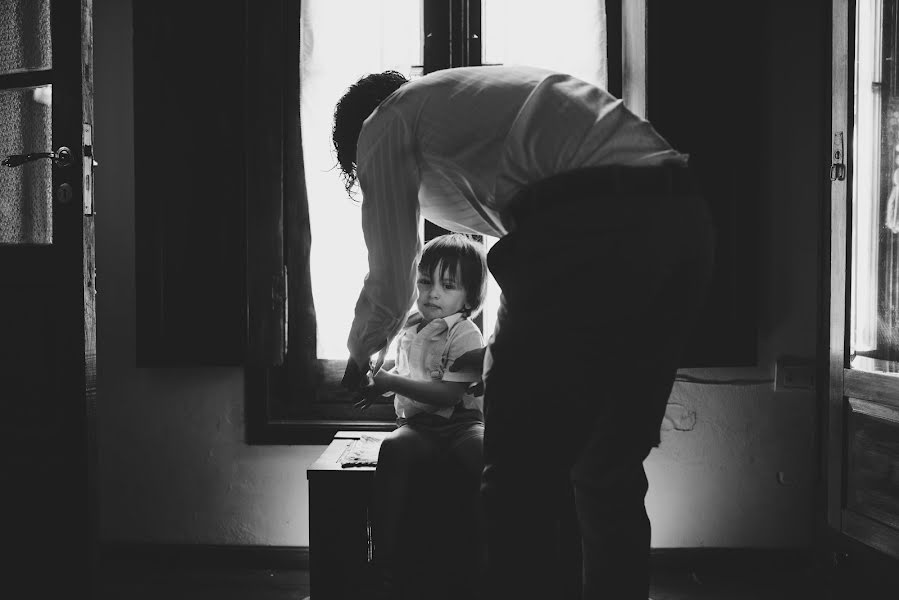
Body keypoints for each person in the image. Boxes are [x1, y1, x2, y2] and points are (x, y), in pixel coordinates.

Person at [335, 65, 715, 600]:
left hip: (583, 218)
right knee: (609, 470)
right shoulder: (455, 101)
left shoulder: (383, 122)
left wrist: (360, 352)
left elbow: (391, 272)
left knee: (517, 473)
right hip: (684, 219)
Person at [355, 233, 488, 600]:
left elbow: (448, 393)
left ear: (469, 297)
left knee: (482, 455)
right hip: (418, 427)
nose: (432, 293)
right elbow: (407, 373)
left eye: (448, 286)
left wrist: (391, 380)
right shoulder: (409, 328)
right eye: (425, 281)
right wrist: (377, 385)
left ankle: (487, 559)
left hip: (462, 424)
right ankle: (385, 560)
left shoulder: (465, 332)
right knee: (394, 450)